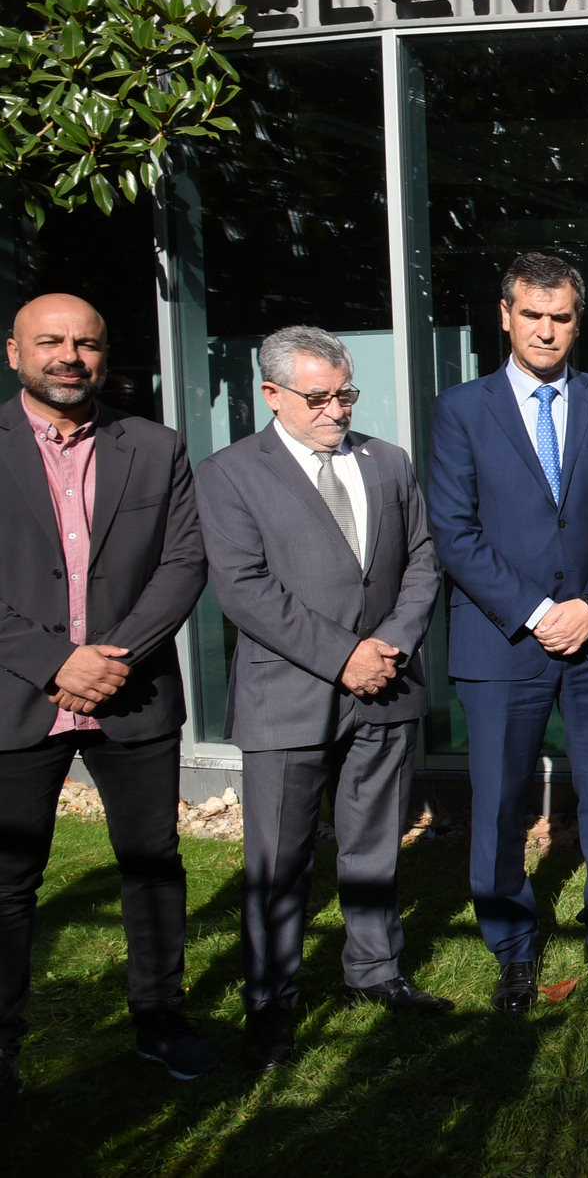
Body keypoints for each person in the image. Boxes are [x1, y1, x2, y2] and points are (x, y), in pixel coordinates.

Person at [194, 326, 450, 1070]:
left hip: (386, 686)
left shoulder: (389, 461)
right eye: (319, 396)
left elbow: (422, 563)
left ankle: (375, 970)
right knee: (279, 858)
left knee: (373, 843)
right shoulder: (230, 473)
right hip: (289, 694)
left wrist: (387, 648)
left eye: (346, 392)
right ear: (271, 394)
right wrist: (344, 657)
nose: (337, 408)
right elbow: (244, 589)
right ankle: (271, 1004)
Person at [0, 293, 211, 1114]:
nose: (69, 356)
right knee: (9, 880)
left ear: (106, 351)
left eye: (86, 342)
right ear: (13, 349)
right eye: (50, 340)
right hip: (20, 695)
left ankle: (160, 1017)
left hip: (132, 694)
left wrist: (110, 661)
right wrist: (56, 664)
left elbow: (185, 561)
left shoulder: (153, 447)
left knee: (152, 864)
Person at [427, 253, 588, 1012]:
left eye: (560, 317)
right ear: (505, 316)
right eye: (533, 315)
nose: (547, 330)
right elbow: (454, 533)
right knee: (497, 800)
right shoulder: (461, 409)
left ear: (577, 322)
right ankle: (512, 946)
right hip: (502, 641)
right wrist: (533, 611)